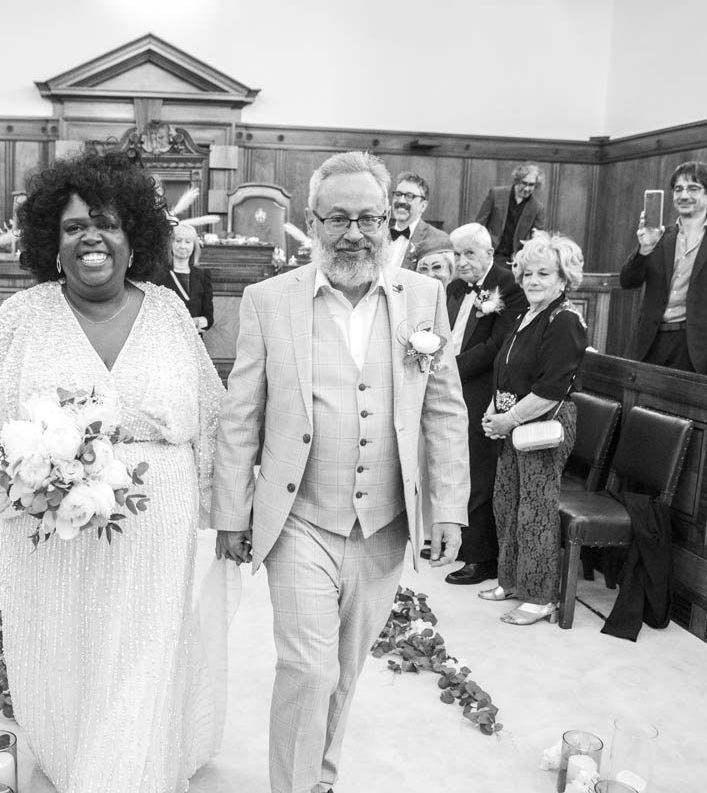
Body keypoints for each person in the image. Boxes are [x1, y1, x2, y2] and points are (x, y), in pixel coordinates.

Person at [0, 150, 226, 792]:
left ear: (135, 237)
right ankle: (75, 749)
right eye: (74, 226)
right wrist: (26, 473)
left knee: (145, 645)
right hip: (51, 525)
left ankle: (129, 768)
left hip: (158, 520)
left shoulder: (166, 312)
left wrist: (227, 510)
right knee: (64, 639)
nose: (91, 238)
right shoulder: (22, 317)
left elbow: (214, 413)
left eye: (106, 223)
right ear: (52, 241)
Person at [212, 150, 470, 793]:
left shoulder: (425, 298)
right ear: (312, 221)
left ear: (390, 221)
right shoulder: (269, 299)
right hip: (300, 515)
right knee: (307, 667)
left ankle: (319, 779)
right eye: (338, 219)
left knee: (345, 670)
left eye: (369, 218)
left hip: (384, 519)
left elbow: (443, 410)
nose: (354, 233)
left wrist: (449, 507)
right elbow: (241, 413)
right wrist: (230, 513)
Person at [480, 231, 587, 626]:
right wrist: (495, 413)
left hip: (545, 425)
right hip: (515, 421)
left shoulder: (565, 320)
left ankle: (541, 597)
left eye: (544, 273)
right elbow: (505, 372)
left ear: (563, 278)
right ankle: (510, 581)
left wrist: (508, 419)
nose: (533, 281)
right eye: (527, 274)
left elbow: (551, 389)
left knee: (536, 511)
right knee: (506, 503)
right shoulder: (527, 314)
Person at [432, 223, 527, 586]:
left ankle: (480, 556)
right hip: (452, 385)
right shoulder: (455, 286)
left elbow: (497, 347)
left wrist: (448, 371)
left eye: (469, 253)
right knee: (451, 465)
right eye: (456, 255)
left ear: (489, 253)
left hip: (482, 391)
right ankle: (453, 543)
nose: (462, 261)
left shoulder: (510, 287)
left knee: (478, 472)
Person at [620, 161, 707, 377]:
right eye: (678, 189)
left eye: (693, 189)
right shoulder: (659, 235)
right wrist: (644, 248)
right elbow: (628, 282)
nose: (683, 195)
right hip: (649, 343)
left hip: (695, 348)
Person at [475, 163, 547, 268]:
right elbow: (479, 223)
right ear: (517, 180)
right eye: (524, 183)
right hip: (490, 252)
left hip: (513, 258)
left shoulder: (537, 207)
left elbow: (538, 236)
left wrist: (530, 243)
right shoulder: (496, 194)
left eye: (531, 185)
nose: (527, 188)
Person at [156, 223, 213, 332]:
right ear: (171, 244)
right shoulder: (158, 275)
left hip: (194, 342)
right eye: (178, 241)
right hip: (166, 341)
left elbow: (209, 318)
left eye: (188, 242)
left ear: (194, 245)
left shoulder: (203, 275)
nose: (183, 246)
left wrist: (197, 322)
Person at [388, 171, 447, 268]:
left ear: (423, 206)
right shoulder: (381, 236)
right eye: (398, 194)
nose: (401, 201)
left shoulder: (438, 239)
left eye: (409, 196)